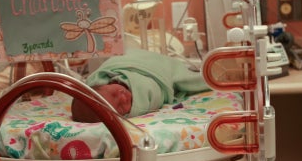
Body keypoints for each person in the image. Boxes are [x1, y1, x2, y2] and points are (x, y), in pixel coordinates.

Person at [71, 48, 210, 122]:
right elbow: (151, 92)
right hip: (155, 74)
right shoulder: (140, 95)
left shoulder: (102, 77)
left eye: (114, 93)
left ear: (103, 85)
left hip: (132, 61)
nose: (123, 97)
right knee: (189, 80)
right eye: (120, 107)